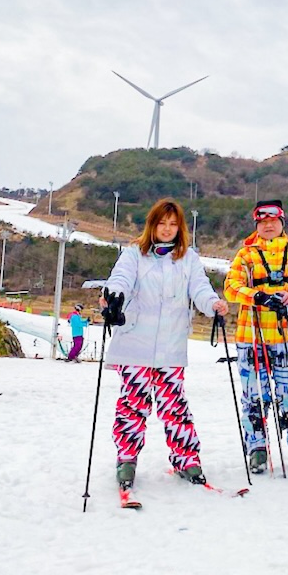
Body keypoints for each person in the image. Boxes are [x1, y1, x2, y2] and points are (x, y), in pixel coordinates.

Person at [102, 199, 227, 489]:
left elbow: (199, 287)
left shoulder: (188, 258)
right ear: (152, 225)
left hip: (171, 346)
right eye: (162, 223)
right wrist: (114, 297)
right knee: (134, 405)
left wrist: (213, 304)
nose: (167, 229)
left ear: (180, 227)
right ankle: (127, 458)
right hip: (135, 343)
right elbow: (119, 278)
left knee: (175, 405)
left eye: (173, 224)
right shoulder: (134, 253)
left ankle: (187, 459)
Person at [223, 199, 288, 473]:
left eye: (273, 221)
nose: (268, 225)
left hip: (287, 337)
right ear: (257, 225)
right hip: (252, 337)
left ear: (282, 223)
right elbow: (231, 287)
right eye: (262, 222)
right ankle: (256, 449)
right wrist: (259, 297)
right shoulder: (246, 254)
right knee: (255, 396)